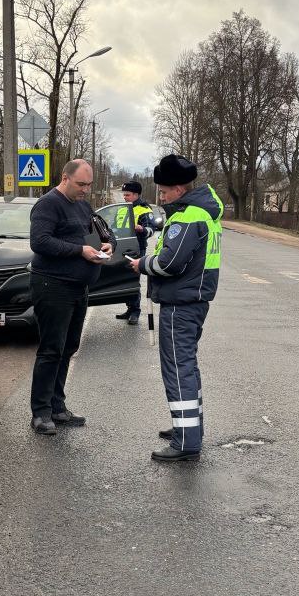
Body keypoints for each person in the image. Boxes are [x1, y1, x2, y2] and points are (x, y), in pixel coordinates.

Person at [129, 154, 223, 462]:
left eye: (164, 191)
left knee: (178, 370)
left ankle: (185, 442)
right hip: (192, 302)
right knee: (187, 367)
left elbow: (169, 263)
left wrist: (141, 264)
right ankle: (189, 428)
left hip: (179, 305)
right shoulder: (204, 213)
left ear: (179, 189)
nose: (161, 196)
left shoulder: (188, 216)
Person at [28, 158, 115, 435]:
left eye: (89, 184)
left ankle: (57, 406)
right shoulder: (48, 204)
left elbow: (98, 232)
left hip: (79, 288)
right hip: (53, 286)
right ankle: (40, 413)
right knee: (51, 349)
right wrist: (80, 251)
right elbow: (39, 242)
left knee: (68, 347)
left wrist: (106, 245)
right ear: (65, 178)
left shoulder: (82, 205)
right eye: (81, 184)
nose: (85, 190)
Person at [114, 180, 154, 325]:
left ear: (136, 194)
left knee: (133, 280)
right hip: (121, 248)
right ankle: (130, 308)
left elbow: (150, 231)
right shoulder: (122, 208)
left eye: (128, 195)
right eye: (124, 194)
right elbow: (115, 227)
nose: (125, 197)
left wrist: (141, 229)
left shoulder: (144, 209)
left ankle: (135, 311)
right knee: (124, 279)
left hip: (136, 248)